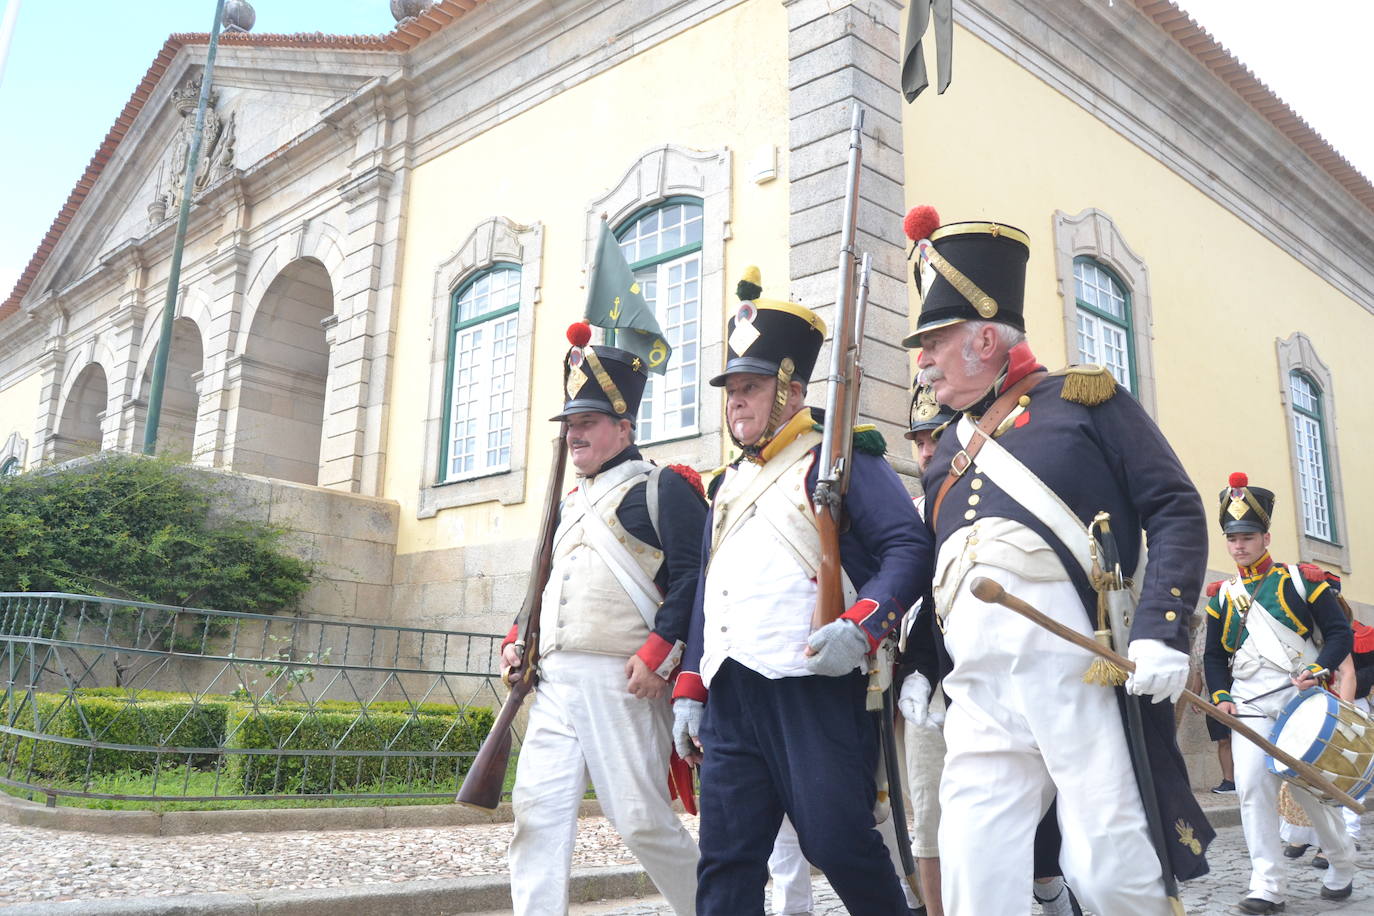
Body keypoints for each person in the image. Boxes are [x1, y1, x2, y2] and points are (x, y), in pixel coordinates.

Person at [903, 212, 1213, 915]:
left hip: (1077, 676)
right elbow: (936, 572)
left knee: (1110, 871)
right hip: (978, 695)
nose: (922, 361)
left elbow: (1174, 507)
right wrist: (922, 662)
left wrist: (1162, 630)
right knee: (974, 875)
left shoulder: (1084, 401)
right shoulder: (945, 454)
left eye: (934, 342)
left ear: (985, 339)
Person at [671, 269, 933, 915]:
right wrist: (691, 687)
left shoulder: (841, 457)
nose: (736, 402)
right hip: (732, 691)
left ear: (791, 389)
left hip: (812, 684)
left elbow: (908, 548)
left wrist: (861, 627)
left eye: (751, 387)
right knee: (726, 859)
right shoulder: (726, 484)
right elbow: (709, 590)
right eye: (732, 390)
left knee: (838, 842)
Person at [501, 333, 704, 915]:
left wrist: (661, 655)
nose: (574, 434)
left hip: (624, 679)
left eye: (588, 421)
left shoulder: (664, 488)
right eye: (570, 423)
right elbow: (543, 581)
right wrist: (519, 638)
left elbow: (694, 578)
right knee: (536, 815)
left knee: (640, 820)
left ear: (624, 426)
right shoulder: (566, 502)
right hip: (554, 680)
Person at [1202, 476, 1357, 913]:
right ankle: (1267, 884)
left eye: (1247, 537)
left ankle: (1341, 858)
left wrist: (1319, 667)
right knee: (1252, 789)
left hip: (1299, 701)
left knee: (1310, 790)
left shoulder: (1301, 581)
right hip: (1249, 706)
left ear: (1265, 538)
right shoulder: (1222, 596)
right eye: (1232, 539)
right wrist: (1221, 695)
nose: (1239, 546)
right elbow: (1214, 655)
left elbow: (1340, 634)